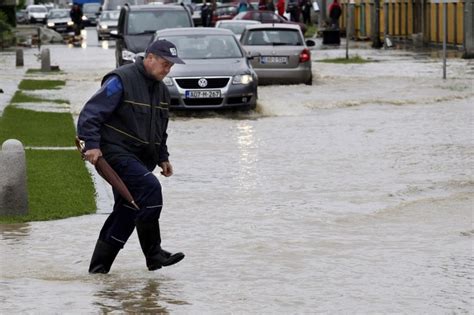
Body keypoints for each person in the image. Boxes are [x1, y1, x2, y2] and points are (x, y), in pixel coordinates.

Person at [77, 40, 186, 274]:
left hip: (141, 159)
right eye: (165, 64)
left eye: (171, 66)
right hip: (115, 153)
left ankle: (98, 271)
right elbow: (90, 113)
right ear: (150, 58)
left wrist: (163, 157)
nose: (168, 70)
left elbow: (160, 130)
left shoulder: (162, 91)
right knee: (150, 189)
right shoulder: (120, 80)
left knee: (129, 210)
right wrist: (92, 145)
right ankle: (153, 254)